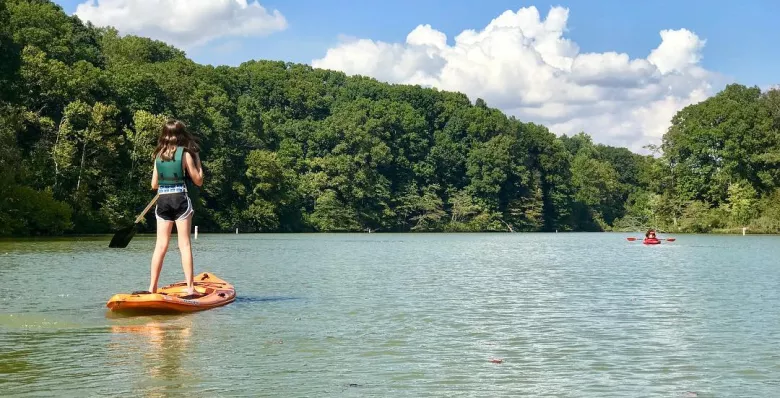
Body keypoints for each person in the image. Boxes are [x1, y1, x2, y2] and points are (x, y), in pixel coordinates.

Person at [149, 119, 203, 297]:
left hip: (163, 201)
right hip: (180, 198)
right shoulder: (186, 154)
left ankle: (152, 288)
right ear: (181, 136)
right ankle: (190, 288)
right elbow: (198, 180)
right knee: (184, 244)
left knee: (160, 245)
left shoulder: (158, 156)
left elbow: (154, 185)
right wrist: (198, 161)